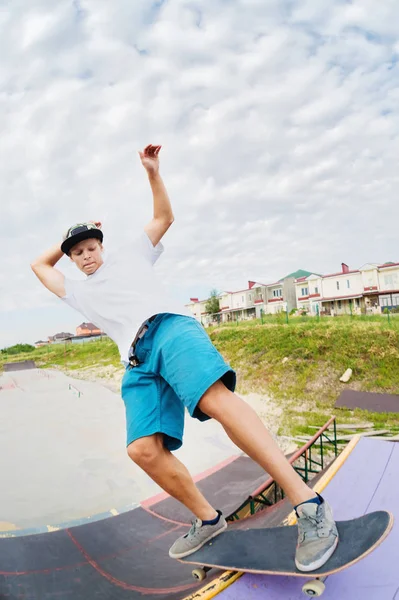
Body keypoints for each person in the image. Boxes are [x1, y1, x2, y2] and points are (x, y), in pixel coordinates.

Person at [30, 144, 338, 572]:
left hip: (169, 329)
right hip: (137, 361)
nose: (85, 255)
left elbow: (163, 219)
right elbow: (38, 265)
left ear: (102, 245)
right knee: (142, 450)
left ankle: (309, 505)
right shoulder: (76, 291)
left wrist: (152, 173)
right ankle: (209, 520)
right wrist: (66, 239)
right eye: (76, 252)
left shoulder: (131, 254)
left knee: (215, 402)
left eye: (90, 246)